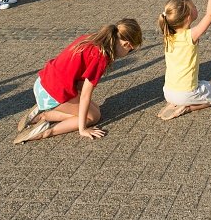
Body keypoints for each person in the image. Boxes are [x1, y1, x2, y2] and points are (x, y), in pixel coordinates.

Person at [13, 20, 143, 143]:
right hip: (53, 92)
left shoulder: (92, 38)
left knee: (95, 109)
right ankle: (45, 131)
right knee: (93, 117)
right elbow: (86, 95)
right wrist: (83, 129)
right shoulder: (101, 57)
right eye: (131, 50)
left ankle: (44, 115)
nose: (129, 53)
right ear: (127, 44)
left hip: (43, 82)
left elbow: (79, 78)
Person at [157, 0, 211, 121]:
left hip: (167, 91)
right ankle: (186, 108)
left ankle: (174, 104)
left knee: (203, 84)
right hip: (185, 93)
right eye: (194, 6)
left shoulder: (168, 33)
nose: (196, 7)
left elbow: (171, 8)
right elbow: (210, 14)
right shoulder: (190, 36)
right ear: (187, 17)